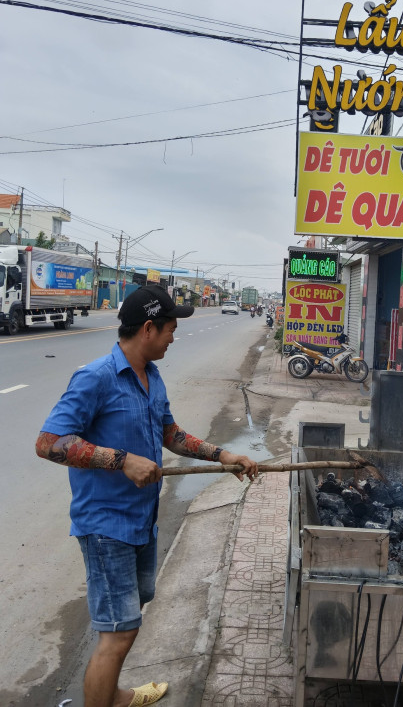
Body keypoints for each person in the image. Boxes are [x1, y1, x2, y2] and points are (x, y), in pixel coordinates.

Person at [35, 284, 258, 707]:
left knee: (128, 621)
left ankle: (111, 694)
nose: (174, 337)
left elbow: (170, 434)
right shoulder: (96, 377)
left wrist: (223, 455)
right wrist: (122, 461)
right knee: (118, 634)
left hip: (141, 520)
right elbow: (48, 443)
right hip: (106, 526)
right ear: (149, 328)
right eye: (171, 328)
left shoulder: (151, 377)